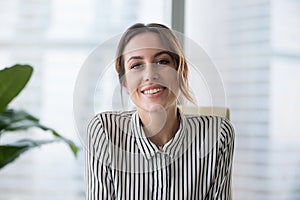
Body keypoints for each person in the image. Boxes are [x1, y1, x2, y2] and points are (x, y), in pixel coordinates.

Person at [85, 23, 235, 200]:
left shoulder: (217, 134)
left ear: (181, 73)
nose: (150, 74)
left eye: (162, 61)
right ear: (124, 82)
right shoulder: (104, 131)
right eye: (136, 65)